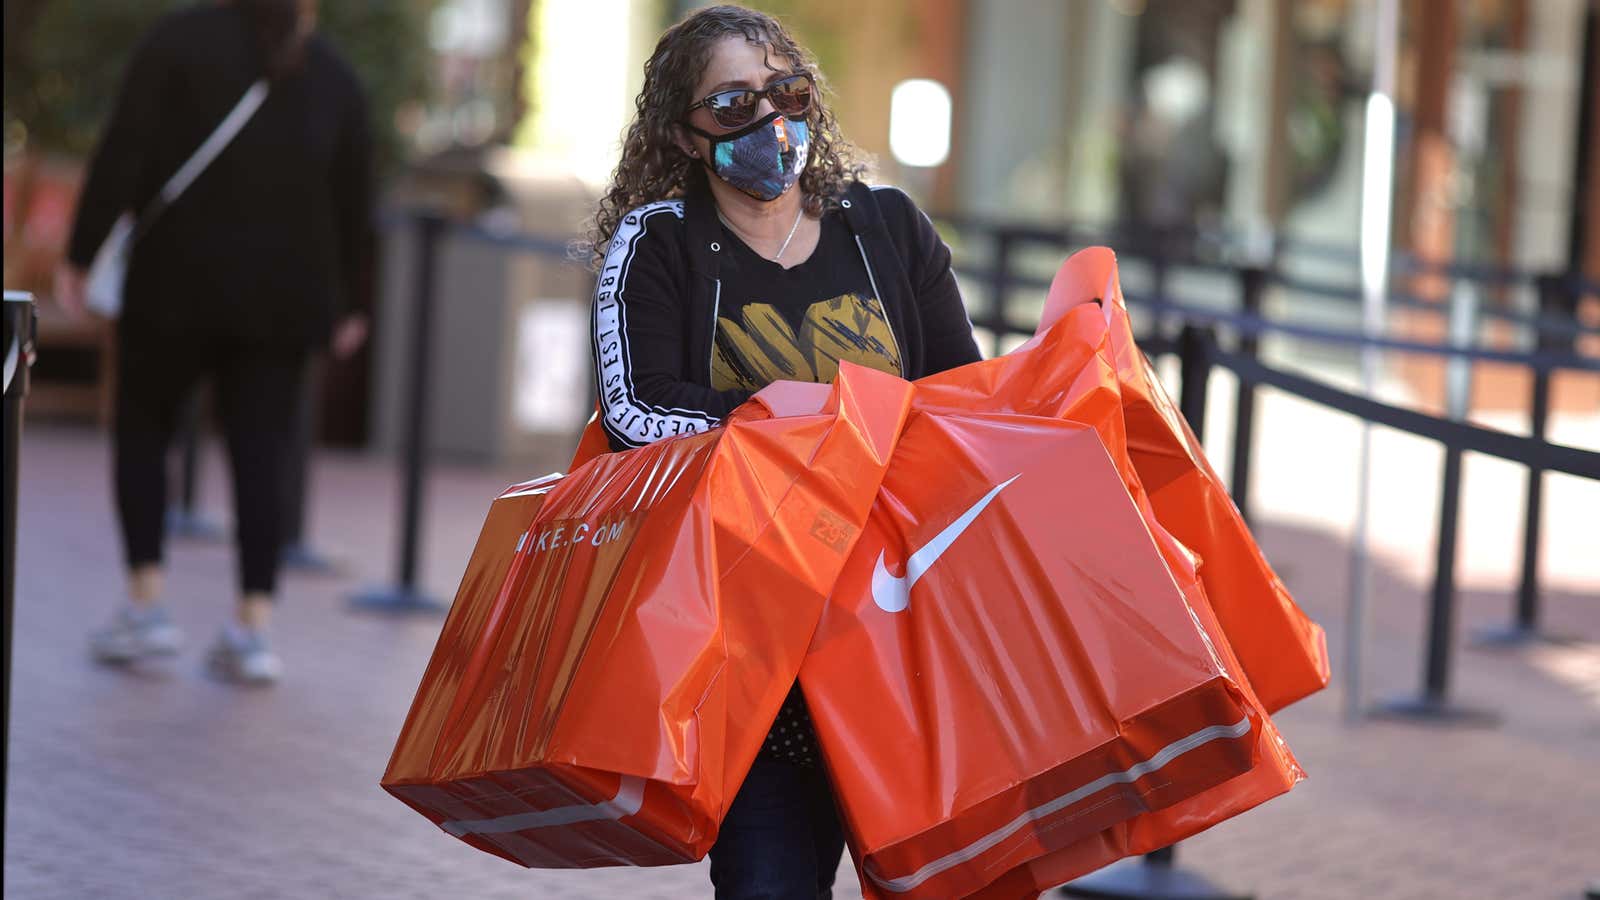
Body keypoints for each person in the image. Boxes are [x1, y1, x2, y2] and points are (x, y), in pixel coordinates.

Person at [586, 6, 980, 897]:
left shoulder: (886, 232)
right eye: (732, 105)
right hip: (747, 655)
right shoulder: (657, 244)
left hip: (892, 643)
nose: (769, 122)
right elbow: (634, 413)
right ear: (684, 134)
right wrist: (811, 427)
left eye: (784, 91)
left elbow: (960, 404)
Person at [55, 0, 374, 685]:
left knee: (144, 432)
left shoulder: (176, 40)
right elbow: (355, 200)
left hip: (172, 285)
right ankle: (253, 626)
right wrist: (350, 303)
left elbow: (124, 150)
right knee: (263, 453)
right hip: (282, 304)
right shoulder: (332, 75)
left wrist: (81, 255)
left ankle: (145, 605)